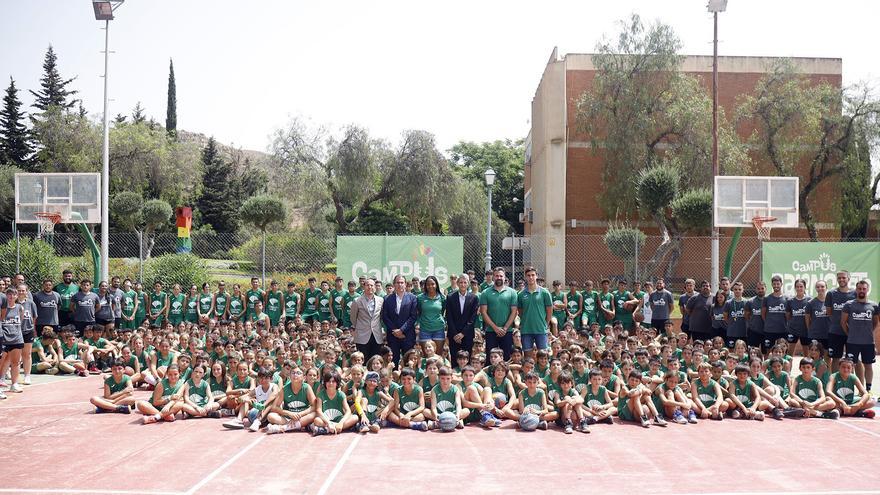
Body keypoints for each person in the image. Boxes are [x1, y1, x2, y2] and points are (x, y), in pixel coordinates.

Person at [840, 280, 877, 389]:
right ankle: (852, 389)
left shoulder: (873, 305)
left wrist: (868, 332)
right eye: (859, 288)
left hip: (868, 342)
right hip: (852, 342)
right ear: (856, 290)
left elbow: (875, 323)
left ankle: (868, 389)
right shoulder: (849, 305)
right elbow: (843, 322)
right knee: (851, 366)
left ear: (867, 290)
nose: (861, 291)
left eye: (864, 289)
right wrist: (850, 333)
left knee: (868, 365)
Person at [481, 267, 518, 360]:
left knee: (506, 358)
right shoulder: (485, 292)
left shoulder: (512, 292)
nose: (499, 277)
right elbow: (483, 312)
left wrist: (505, 328)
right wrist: (495, 328)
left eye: (501, 276)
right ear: (493, 277)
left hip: (507, 331)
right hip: (490, 331)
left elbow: (514, 312)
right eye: (496, 276)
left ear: (504, 277)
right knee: (491, 359)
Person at [518, 267, 553, 359]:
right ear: (525, 277)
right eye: (528, 275)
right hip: (526, 329)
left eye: (533, 275)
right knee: (528, 357)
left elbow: (549, 309)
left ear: (536, 276)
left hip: (540, 329)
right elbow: (520, 311)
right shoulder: (521, 294)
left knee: (543, 356)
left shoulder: (545, 292)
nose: (531, 277)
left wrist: (546, 323)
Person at [311, 370, 358, 435]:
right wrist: (329, 423)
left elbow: (348, 411)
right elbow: (319, 410)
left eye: (333, 381)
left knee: (355, 417)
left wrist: (341, 423)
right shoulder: (321, 394)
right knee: (317, 420)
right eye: (328, 381)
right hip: (325, 420)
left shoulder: (341, 395)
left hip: (339, 419)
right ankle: (336, 428)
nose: (330, 383)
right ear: (325, 383)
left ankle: (326, 429)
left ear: (337, 383)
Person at [446, 273, 479, 362]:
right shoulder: (450, 297)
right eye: (461, 282)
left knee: (466, 359)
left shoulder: (474, 298)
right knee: (454, 359)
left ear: (468, 284)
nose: (463, 284)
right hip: (454, 335)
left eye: (465, 282)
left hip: (467, 334)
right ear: (457, 283)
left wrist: (463, 333)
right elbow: (449, 316)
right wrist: (455, 334)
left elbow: (472, 318)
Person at [826, 270, 855, 371]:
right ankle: (834, 383)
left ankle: (852, 383)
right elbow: (829, 312)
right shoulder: (831, 294)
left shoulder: (855, 293)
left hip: (851, 333)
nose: (841, 280)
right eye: (839, 278)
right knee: (835, 358)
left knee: (852, 360)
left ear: (848, 278)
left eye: (844, 277)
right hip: (835, 332)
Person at [0, 287, 26, 394]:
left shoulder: (20, 308)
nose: (11, 297)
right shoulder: (3, 308)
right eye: (9, 294)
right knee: (1, 363)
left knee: (15, 362)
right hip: (4, 339)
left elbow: (21, 320)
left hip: (17, 338)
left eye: (14, 294)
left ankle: (14, 384)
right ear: (6, 296)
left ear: (17, 296)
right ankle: (1, 383)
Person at [351, 278, 384, 361]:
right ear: (364, 287)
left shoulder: (380, 300)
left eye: (372, 285)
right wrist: (359, 327)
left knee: (375, 360)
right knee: (362, 360)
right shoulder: (357, 301)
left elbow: (381, 316)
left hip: (376, 334)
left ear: (375, 287)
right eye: (367, 285)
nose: (370, 287)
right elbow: (353, 318)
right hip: (362, 335)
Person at [415, 275, 447, 355]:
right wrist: (418, 323)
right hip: (424, 330)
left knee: (438, 356)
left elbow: (443, 311)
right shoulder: (420, 298)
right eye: (428, 284)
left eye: (432, 284)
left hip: (439, 329)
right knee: (427, 356)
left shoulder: (442, 298)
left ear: (436, 285)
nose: (430, 286)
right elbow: (418, 312)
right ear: (425, 286)